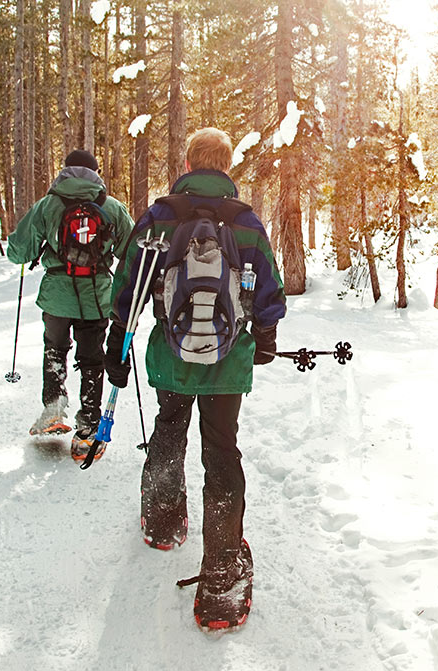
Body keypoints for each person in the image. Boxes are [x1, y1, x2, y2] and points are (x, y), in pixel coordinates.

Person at [105, 128, 286, 631]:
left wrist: (116, 341)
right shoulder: (246, 222)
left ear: (188, 161)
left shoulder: (161, 217)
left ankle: (163, 520)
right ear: (226, 165)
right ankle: (222, 582)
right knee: (222, 451)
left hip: (171, 355)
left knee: (169, 426)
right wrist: (264, 337)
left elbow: (130, 286)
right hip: (227, 361)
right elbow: (268, 289)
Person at [7, 149, 134, 460]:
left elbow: (19, 251)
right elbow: (131, 252)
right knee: (92, 360)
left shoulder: (47, 205)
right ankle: (88, 431)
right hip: (96, 296)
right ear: (95, 172)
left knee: (55, 347)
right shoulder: (111, 207)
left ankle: (53, 406)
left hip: (57, 296)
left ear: (65, 171)